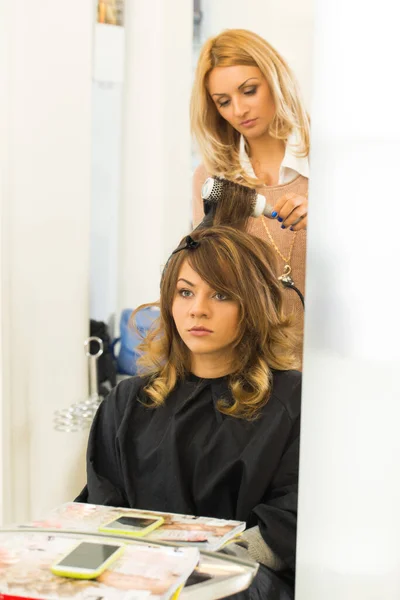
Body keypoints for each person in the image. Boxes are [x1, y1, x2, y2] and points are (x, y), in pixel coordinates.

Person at [77, 226, 302, 600]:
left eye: (221, 294)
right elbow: (105, 509)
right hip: (138, 580)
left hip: (241, 583)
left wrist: (198, 569)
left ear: (253, 303)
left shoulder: (290, 401)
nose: (198, 308)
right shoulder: (127, 401)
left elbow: (289, 519)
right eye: (185, 292)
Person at [191, 29, 309, 352]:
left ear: (274, 79)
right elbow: (206, 277)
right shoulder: (212, 180)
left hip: (328, 365)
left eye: (249, 91)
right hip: (248, 367)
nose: (239, 110)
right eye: (224, 102)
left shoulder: (331, 165)